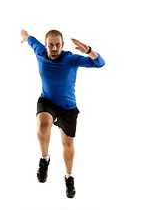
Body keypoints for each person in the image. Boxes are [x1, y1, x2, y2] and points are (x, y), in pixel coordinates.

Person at [20, 29, 105, 198]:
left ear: (62, 45)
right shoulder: (40, 51)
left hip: (68, 107)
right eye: (50, 44)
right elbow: (28, 37)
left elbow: (99, 63)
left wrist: (88, 50)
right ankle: (44, 159)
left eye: (57, 44)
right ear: (45, 45)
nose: (53, 48)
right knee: (43, 126)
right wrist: (24, 36)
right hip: (47, 101)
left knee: (68, 145)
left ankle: (69, 177)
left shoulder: (71, 59)